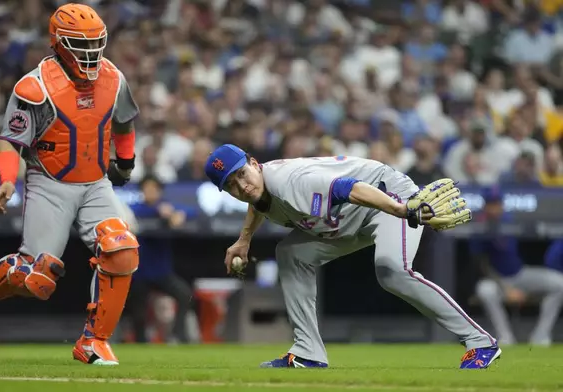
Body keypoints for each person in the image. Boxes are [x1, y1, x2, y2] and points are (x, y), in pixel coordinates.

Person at [0, 4, 140, 366]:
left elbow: (123, 123)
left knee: (122, 249)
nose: (91, 54)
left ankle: (94, 342)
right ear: (59, 44)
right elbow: (10, 139)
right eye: (82, 45)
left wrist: (125, 162)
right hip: (50, 181)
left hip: (95, 182)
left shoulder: (114, 78)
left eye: (96, 45)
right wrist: (6, 179)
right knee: (33, 277)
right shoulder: (35, 86)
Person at [204, 144, 500, 369]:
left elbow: (350, 188)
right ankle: (308, 353)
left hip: (386, 198)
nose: (241, 186)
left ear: (254, 164)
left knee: (391, 270)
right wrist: (244, 239)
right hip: (347, 218)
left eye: (242, 174)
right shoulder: (259, 188)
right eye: (231, 184)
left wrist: (401, 209)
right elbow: (258, 202)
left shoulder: (289, 182)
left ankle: (481, 342)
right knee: (291, 253)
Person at [473, 188, 563, 346]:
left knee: (560, 284)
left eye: (497, 204)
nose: (494, 208)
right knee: (484, 290)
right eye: (491, 204)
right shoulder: (481, 227)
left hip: (520, 275)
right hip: (497, 281)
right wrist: (507, 289)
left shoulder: (510, 220)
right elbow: (482, 264)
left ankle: (540, 336)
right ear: (485, 206)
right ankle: (505, 337)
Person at [127, 174, 196, 343]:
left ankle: (177, 334)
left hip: (161, 272)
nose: (150, 192)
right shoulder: (135, 210)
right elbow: (133, 212)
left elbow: (193, 211)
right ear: (142, 191)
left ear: (160, 191)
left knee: (185, 294)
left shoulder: (167, 208)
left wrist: (178, 214)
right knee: (138, 312)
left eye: (154, 189)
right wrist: (158, 211)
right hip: (139, 272)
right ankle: (140, 341)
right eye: (147, 189)